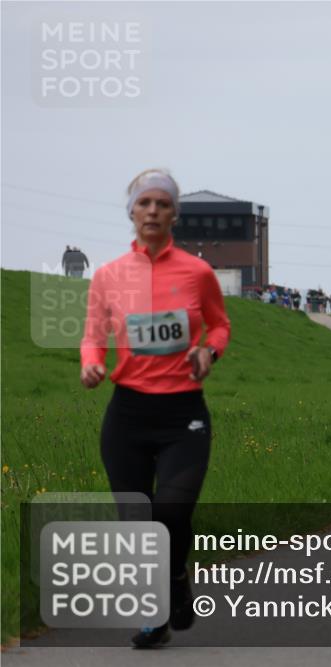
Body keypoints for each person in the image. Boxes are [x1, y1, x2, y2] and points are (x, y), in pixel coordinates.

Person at [80, 169, 231, 648]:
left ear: (174, 213)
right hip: (127, 415)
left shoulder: (197, 272)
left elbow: (219, 326)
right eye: (144, 203)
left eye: (162, 204)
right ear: (131, 211)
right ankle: (155, 611)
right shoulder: (108, 276)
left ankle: (176, 577)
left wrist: (210, 351)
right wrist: (91, 364)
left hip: (183, 414)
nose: (152, 211)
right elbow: (92, 335)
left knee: (170, 512)